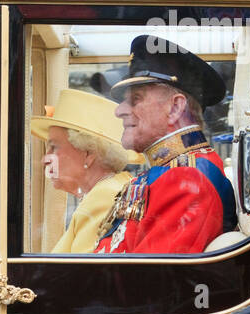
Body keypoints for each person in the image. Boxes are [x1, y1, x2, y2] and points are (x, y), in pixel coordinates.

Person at [95, 35, 237, 254]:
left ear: (174, 108)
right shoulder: (177, 171)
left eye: (135, 99)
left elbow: (150, 283)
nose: (119, 110)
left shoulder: (187, 180)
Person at [30, 89, 134, 253]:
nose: (45, 159)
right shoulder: (110, 187)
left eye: (54, 147)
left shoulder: (104, 195)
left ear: (88, 154)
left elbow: (78, 273)